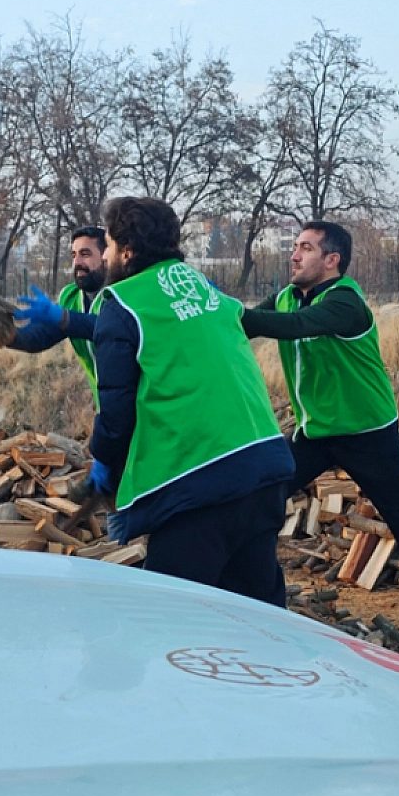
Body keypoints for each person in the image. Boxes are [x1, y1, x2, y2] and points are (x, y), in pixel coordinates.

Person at [240, 221, 399, 660]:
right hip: (316, 434)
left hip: (368, 434)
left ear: (332, 260)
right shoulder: (288, 296)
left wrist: (226, 310)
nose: (294, 254)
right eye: (294, 247)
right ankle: (265, 606)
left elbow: (295, 326)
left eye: (305, 248)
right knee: (259, 504)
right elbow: (251, 325)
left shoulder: (344, 300)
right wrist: (208, 314)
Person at [86, 196, 294, 606]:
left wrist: (104, 460)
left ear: (127, 251)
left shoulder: (122, 304)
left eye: (108, 245)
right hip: (265, 468)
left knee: (171, 618)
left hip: (199, 484)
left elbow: (116, 414)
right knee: (259, 616)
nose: (105, 256)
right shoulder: (206, 291)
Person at [7, 226, 107, 400]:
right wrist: (1, 331)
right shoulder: (70, 297)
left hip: (143, 411)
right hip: (106, 409)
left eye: (85, 254)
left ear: (106, 257)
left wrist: (64, 317)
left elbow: (110, 329)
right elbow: (40, 337)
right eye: (74, 255)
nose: (77, 263)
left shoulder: (123, 294)